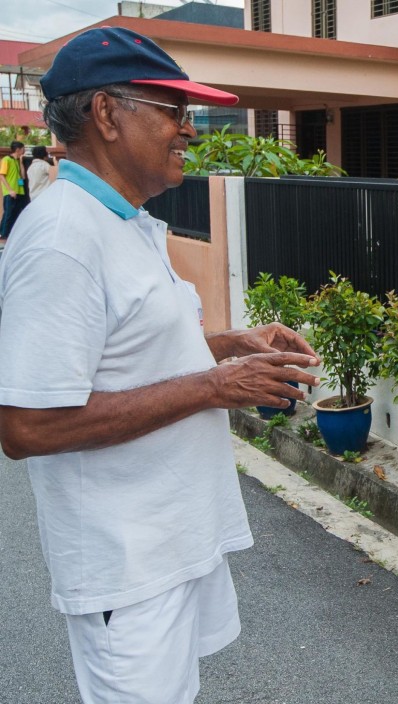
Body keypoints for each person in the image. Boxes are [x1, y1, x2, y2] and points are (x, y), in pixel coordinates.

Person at [0, 27, 321, 704]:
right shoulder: (63, 239)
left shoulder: (124, 223)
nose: (190, 130)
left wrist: (229, 346)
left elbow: (123, 360)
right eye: (173, 111)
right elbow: (27, 425)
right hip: (126, 566)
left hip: (167, 549)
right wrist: (215, 385)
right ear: (108, 115)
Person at [0, 140, 26, 237]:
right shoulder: (6, 159)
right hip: (10, 192)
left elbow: (23, 177)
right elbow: (2, 175)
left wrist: (21, 163)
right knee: (9, 214)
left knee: (16, 213)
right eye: (23, 149)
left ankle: (8, 234)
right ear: (18, 149)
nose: (24, 151)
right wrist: (10, 190)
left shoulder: (17, 161)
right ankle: (4, 234)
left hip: (19, 190)